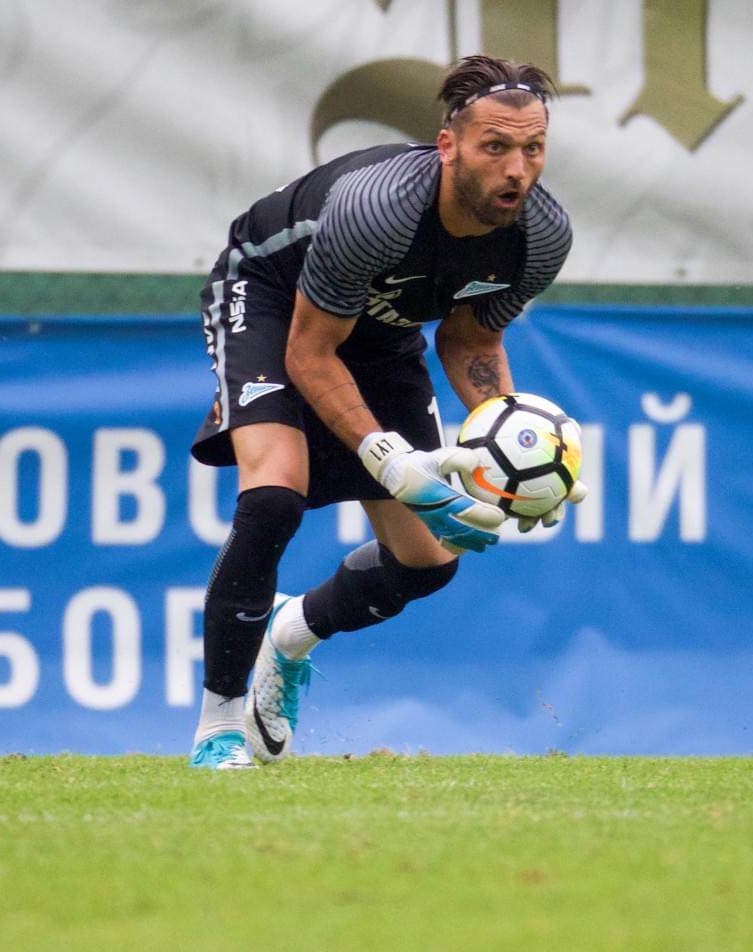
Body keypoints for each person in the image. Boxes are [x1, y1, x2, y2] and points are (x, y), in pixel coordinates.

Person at [186, 55, 581, 768]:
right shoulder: (380, 211)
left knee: (429, 561)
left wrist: (520, 450)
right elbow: (309, 355)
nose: (517, 169)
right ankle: (217, 727)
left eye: (533, 149)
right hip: (274, 299)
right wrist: (392, 462)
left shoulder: (540, 237)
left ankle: (292, 638)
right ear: (449, 146)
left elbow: (471, 337)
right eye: (496, 147)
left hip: (378, 328)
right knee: (275, 494)